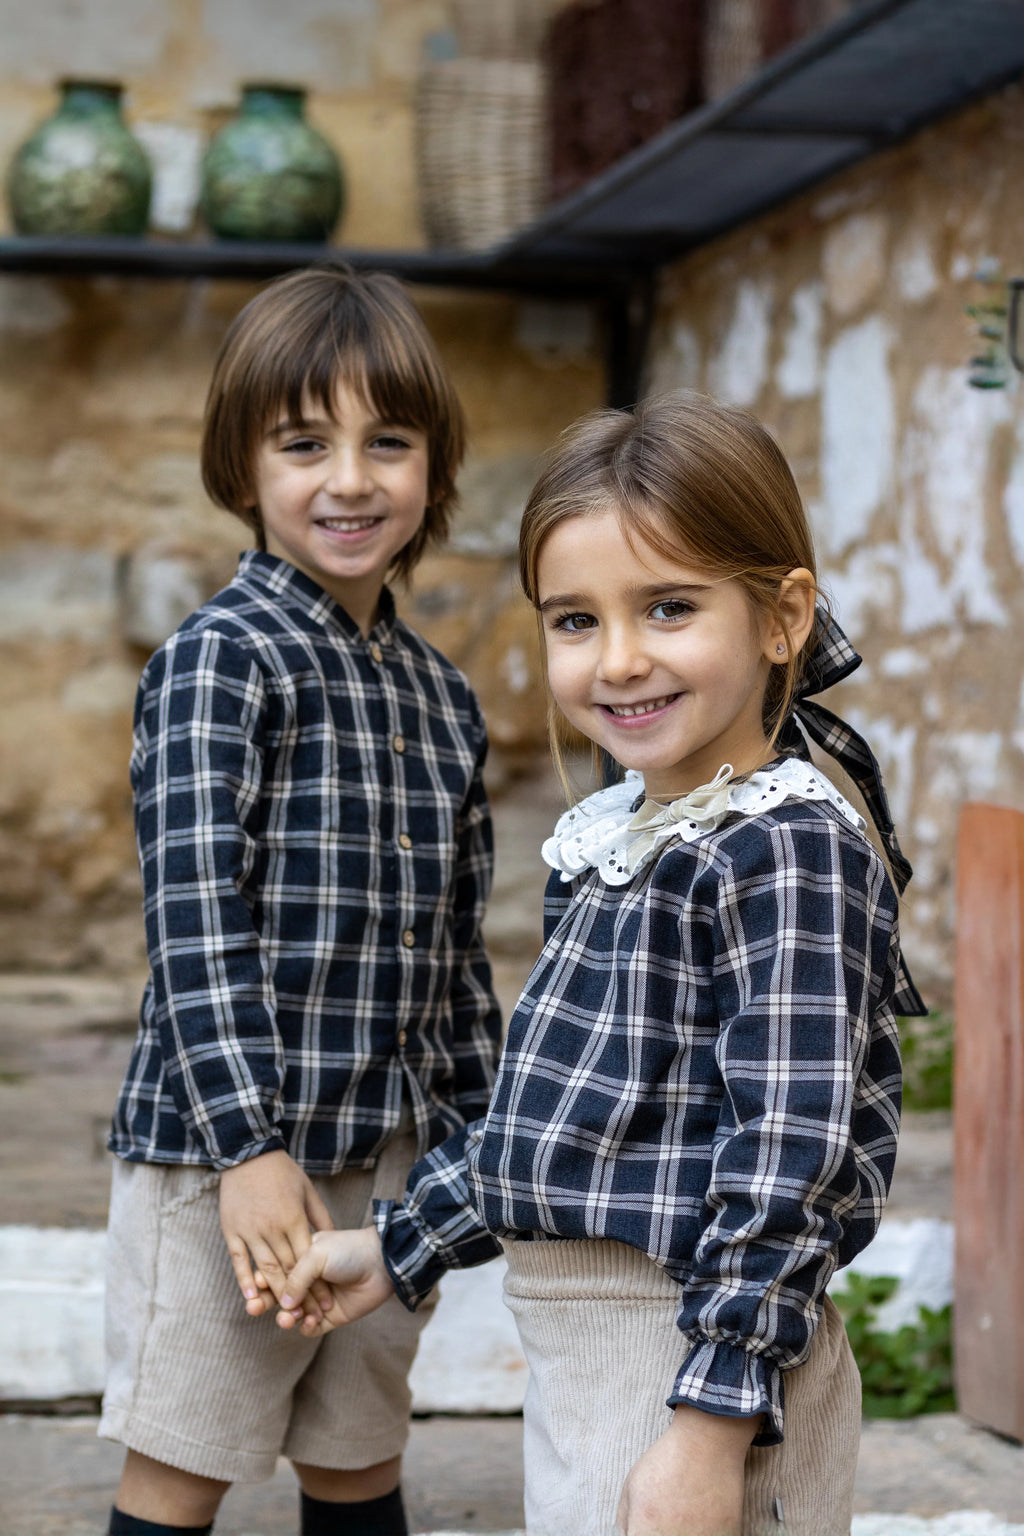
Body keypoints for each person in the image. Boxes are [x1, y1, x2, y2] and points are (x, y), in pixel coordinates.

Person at [270, 390, 926, 1536]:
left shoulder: (783, 848)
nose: (618, 661)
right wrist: (400, 1246)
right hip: (598, 1361)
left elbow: (790, 1161)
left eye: (668, 608)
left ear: (781, 617)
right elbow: (561, 1121)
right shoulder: (623, 833)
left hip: (692, 1366)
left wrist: (711, 1429)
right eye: (573, 620)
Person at [99, 266, 502, 1536]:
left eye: (388, 441)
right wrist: (249, 1151)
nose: (349, 479)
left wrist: (472, 1153)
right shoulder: (218, 663)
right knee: (185, 1463)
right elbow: (195, 926)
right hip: (231, 1164)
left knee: (358, 1461)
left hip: (387, 1167)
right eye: (303, 444)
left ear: (435, 470)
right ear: (243, 468)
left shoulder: (445, 701)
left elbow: (455, 955)